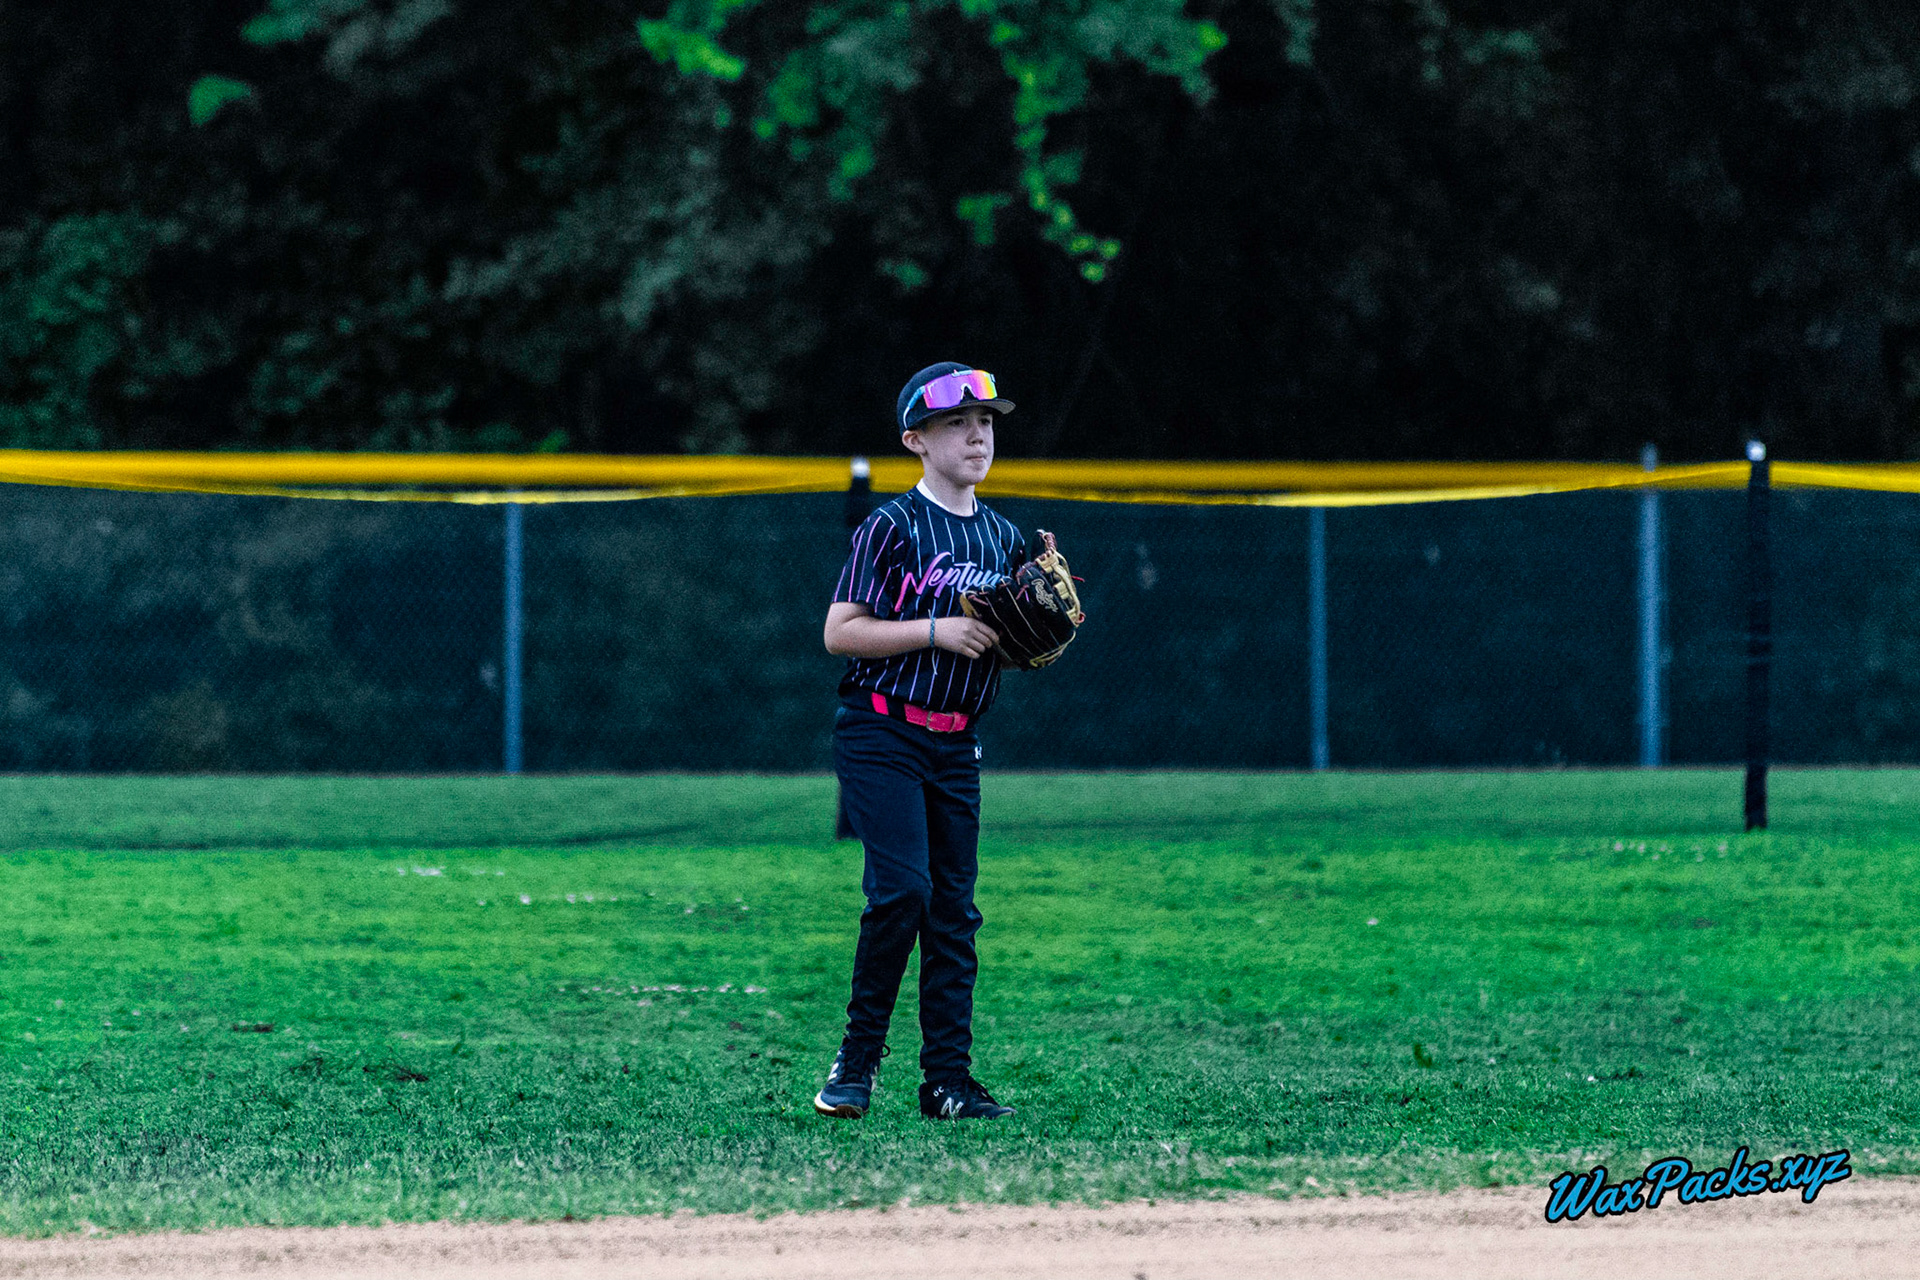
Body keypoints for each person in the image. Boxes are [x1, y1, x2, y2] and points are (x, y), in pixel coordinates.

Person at [813, 362, 1026, 1122]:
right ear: (915, 440)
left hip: (956, 743)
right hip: (882, 731)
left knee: (954, 913)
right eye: (956, 423)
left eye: (987, 422)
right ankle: (857, 1062)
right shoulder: (891, 527)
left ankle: (947, 1082)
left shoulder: (1005, 537)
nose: (978, 434)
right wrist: (936, 628)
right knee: (903, 891)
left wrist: (1041, 630)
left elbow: (1008, 644)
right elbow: (841, 632)